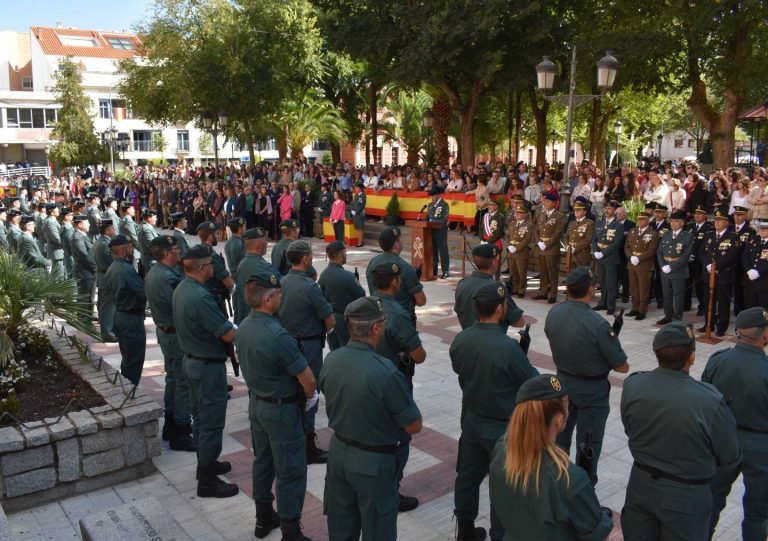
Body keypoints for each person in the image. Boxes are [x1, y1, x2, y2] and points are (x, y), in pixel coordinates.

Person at [621, 321, 740, 541]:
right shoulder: (709, 400)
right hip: (686, 495)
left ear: (656, 353)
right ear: (692, 357)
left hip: (641, 485)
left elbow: (630, 427)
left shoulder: (633, 385)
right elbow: (730, 455)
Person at [320, 297, 422, 541]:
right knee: (378, 531)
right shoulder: (386, 371)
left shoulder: (331, 360)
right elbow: (413, 425)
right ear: (376, 328)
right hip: (373, 463)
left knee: (341, 528)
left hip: (338, 453)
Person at [452, 281, 538, 541]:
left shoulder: (461, 339)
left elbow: (462, 370)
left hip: (471, 420)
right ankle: (499, 535)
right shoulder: (507, 348)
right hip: (501, 427)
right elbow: (531, 383)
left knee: (467, 476)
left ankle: (465, 529)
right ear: (501, 309)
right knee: (502, 484)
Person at [236, 270, 318, 541]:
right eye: (279, 294)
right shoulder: (277, 334)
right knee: (291, 470)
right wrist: (309, 399)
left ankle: (263, 519)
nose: (281, 297)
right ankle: (291, 531)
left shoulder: (245, 325)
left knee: (263, 462)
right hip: (281, 410)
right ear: (269, 298)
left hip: (257, 404)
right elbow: (307, 380)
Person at [489, 374, 613, 540]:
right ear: (560, 420)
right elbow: (597, 533)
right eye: (567, 406)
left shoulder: (501, 448)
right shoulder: (569, 479)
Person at [545, 267, 629, 485]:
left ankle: (557, 483)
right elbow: (622, 367)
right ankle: (584, 492)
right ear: (591, 290)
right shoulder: (597, 323)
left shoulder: (555, 312)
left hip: (562, 385)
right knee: (588, 446)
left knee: (560, 439)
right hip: (592, 391)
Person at [173, 244, 239, 499]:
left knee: (200, 418)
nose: (214, 268)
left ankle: (206, 464)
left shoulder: (184, 288)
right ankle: (208, 481)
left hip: (193, 361)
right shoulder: (200, 297)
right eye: (211, 265)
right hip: (207, 366)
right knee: (211, 422)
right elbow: (228, 333)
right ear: (202, 268)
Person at [702, 307, 768, 541]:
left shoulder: (719, 360)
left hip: (722, 440)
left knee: (711, 500)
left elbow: (705, 398)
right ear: (765, 335)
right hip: (761, 445)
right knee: (758, 513)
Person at [278, 240, 335, 465]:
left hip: (286, 343)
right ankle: (308, 446)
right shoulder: (310, 287)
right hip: (309, 346)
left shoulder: (281, 282)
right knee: (310, 393)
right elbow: (329, 321)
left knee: (293, 392)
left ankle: (294, 439)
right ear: (305, 259)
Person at [144, 235, 194, 452]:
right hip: (174, 335)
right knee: (182, 382)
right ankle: (180, 431)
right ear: (166, 253)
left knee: (174, 379)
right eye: (175, 248)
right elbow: (182, 306)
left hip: (169, 333)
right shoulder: (164, 277)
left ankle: (172, 424)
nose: (179, 251)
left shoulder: (161, 272)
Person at [104, 235, 147, 385]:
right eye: (130, 247)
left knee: (129, 359)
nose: (132, 250)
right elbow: (144, 292)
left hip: (122, 316)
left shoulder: (113, 267)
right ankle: (130, 393)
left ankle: (128, 390)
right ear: (123, 251)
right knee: (133, 361)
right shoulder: (126, 270)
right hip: (131, 319)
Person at [455, 243, 525, 331]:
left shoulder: (462, 283)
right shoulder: (496, 288)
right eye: (496, 259)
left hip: (468, 337)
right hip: (492, 339)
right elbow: (519, 322)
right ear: (494, 263)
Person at [365, 226, 426, 321]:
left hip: (379, 318)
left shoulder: (372, 262)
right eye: (400, 240)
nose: (401, 242)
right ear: (396, 245)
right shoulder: (405, 267)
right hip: (402, 320)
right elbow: (421, 301)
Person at [699, 209, 741, 336]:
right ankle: (709, 324)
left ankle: (722, 326)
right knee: (708, 300)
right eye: (715, 220)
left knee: (723, 302)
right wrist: (707, 264)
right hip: (708, 274)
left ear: (726, 222)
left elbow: (732, 255)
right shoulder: (709, 234)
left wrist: (716, 265)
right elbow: (702, 251)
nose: (717, 222)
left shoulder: (733, 236)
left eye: (720, 220)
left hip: (723, 274)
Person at [318, 241, 365, 350]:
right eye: (345, 253)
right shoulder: (347, 276)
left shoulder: (323, 275)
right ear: (340, 255)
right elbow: (361, 296)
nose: (346, 255)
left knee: (334, 350)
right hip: (345, 321)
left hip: (331, 319)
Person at [234, 227, 280, 325]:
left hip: (247, 318)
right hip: (263, 320)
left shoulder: (242, 264)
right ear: (259, 244)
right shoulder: (264, 267)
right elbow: (282, 287)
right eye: (265, 241)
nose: (267, 243)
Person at [655, 210, 694, 324]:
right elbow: (659, 252)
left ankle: (677, 318)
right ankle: (668, 316)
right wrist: (663, 266)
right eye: (671, 221)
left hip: (678, 270)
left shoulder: (687, 236)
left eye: (676, 221)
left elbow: (686, 256)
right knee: (666, 294)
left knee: (678, 296)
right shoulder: (666, 234)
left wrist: (671, 267)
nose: (672, 223)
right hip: (665, 269)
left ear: (682, 223)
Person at [624, 210, 659, 321]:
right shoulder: (632, 231)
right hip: (632, 263)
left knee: (643, 289)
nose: (640, 221)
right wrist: (630, 257)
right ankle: (634, 308)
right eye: (638, 219)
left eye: (642, 219)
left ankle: (642, 310)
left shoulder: (653, 233)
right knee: (633, 288)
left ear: (648, 221)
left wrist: (638, 258)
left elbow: (652, 250)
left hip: (644, 264)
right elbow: (627, 247)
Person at [591, 201, 624, 314]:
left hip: (610, 257)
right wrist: (595, 251)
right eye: (606, 208)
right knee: (602, 282)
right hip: (599, 257)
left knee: (610, 283)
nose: (607, 210)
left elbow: (616, 243)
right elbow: (594, 240)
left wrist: (603, 253)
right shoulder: (599, 223)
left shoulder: (618, 225)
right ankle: (602, 303)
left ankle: (610, 305)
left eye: (609, 208)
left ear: (614, 210)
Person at [532, 192, 566, 303]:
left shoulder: (559, 216)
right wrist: (538, 242)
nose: (545, 203)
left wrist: (546, 244)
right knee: (543, 271)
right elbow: (535, 229)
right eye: (545, 201)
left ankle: (553, 294)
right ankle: (543, 291)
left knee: (552, 273)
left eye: (548, 201)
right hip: (541, 246)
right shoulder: (541, 214)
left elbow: (558, 233)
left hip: (551, 248)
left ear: (555, 203)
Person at [92, 219, 117, 342]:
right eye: (112, 228)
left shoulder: (101, 241)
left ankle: (109, 331)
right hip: (107, 278)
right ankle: (108, 334)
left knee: (107, 306)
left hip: (104, 277)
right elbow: (111, 263)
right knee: (108, 308)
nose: (114, 230)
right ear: (107, 230)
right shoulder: (104, 244)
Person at [686, 205, 712, 315]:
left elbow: (707, 246)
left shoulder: (709, 228)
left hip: (700, 261)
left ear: (705, 216)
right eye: (696, 213)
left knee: (700, 286)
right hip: (688, 260)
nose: (697, 215)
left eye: (700, 213)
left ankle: (702, 307)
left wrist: (696, 255)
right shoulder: (689, 226)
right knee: (687, 283)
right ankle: (685, 305)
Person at [731, 205, 755, 316]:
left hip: (742, 265)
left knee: (740, 288)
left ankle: (740, 311)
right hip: (729, 264)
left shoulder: (750, 231)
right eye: (735, 215)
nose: (737, 217)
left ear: (745, 216)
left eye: (740, 215)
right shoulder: (729, 228)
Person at [506, 204, 533, 298]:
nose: (517, 214)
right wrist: (509, 245)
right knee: (513, 271)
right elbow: (507, 236)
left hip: (521, 252)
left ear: (525, 214)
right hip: (511, 251)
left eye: (519, 213)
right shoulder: (512, 223)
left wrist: (517, 247)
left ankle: (522, 289)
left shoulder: (528, 225)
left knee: (522, 272)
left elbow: (527, 239)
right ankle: (515, 288)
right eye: (516, 212)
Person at [70, 215, 96, 313]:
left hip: (88, 271)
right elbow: (85, 256)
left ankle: (88, 318)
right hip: (84, 272)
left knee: (90, 297)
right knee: (84, 299)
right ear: (80, 225)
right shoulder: (77, 238)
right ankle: (83, 320)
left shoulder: (82, 235)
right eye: (87, 223)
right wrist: (96, 267)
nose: (89, 224)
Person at [741, 221, 768, 309]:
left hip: (764, 281)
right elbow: (745, 256)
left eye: (765, 229)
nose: (763, 231)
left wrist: (758, 272)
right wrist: (749, 270)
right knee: (750, 306)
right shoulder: (753, 239)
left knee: (764, 309)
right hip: (750, 280)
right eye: (761, 229)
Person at [427, 186, 450, 278]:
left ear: (437, 195)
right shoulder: (430, 205)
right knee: (433, 252)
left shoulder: (444, 204)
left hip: (441, 231)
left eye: (432, 196)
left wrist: (433, 222)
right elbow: (428, 217)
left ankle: (445, 271)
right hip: (431, 231)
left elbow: (444, 218)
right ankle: (434, 270)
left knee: (443, 251)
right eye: (431, 196)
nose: (431, 198)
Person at [564, 200, 595, 271]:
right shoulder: (571, 223)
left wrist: (575, 248)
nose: (576, 211)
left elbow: (588, 239)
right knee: (571, 277)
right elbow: (566, 237)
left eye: (579, 210)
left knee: (581, 278)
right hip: (570, 255)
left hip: (582, 255)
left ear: (585, 212)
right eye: (575, 210)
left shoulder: (590, 223)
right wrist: (566, 246)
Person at [44, 203, 65, 280]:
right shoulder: (50, 222)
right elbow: (56, 239)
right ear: (52, 212)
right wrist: (67, 245)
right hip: (56, 253)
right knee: (58, 278)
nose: (58, 210)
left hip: (58, 252)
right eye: (56, 209)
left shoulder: (52, 220)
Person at [137, 209, 159, 276]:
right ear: (149, 218)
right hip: (150, 261)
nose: (156, 219)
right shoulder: (146, 229)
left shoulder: (147, 227)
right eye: (155, 217)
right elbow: (153, 246)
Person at [60, 208, 75, 279]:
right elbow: (72, 244)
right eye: (71, 215)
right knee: (72, 279)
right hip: (71, 257)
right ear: (66, 216)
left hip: (68, 256)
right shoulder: (67, 229)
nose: (72, 216)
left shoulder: (65, 226)